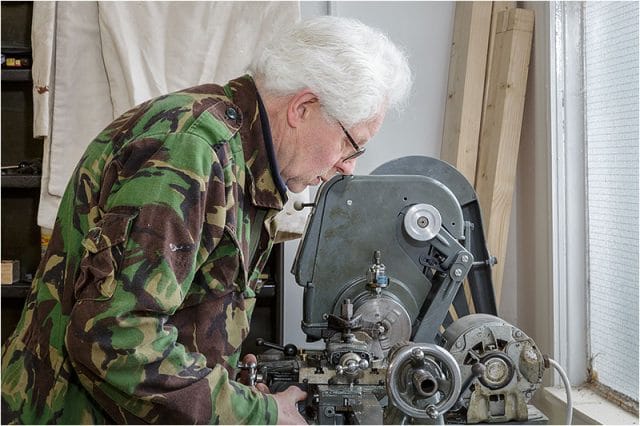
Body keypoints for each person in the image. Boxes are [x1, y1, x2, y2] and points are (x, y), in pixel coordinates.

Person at [1, 16, 412, 424]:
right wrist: (259, 414)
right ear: (303, 108)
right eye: (350, 144)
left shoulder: (245, 162)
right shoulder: (190, 153)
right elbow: (116, 337)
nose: (347, 168)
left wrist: (229, 386)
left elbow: (188, 310)